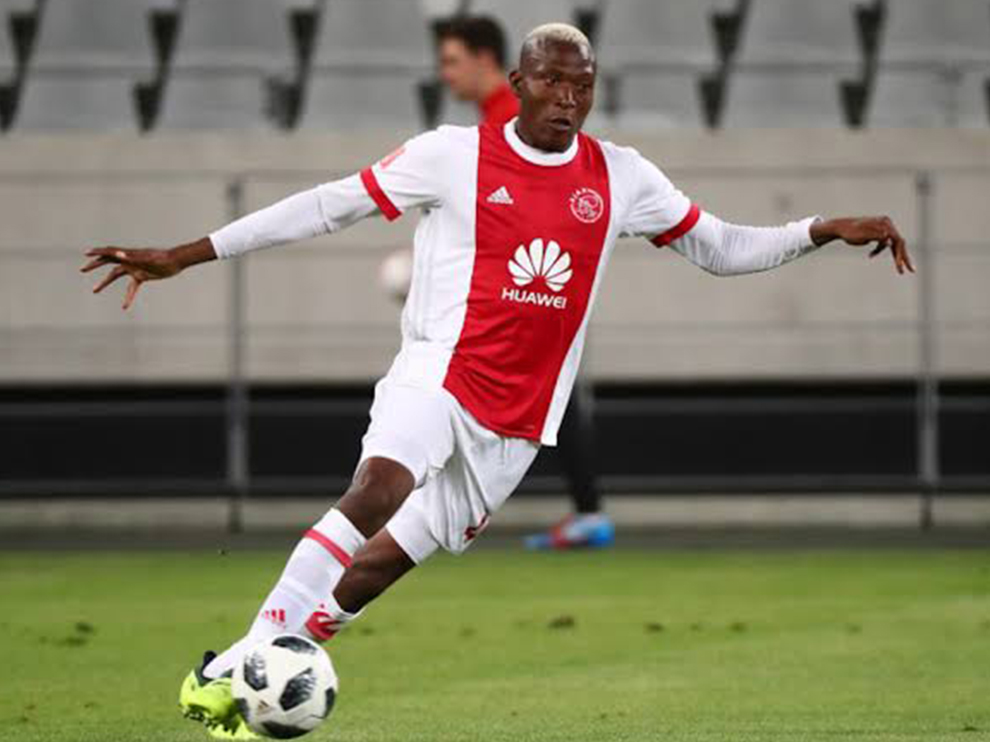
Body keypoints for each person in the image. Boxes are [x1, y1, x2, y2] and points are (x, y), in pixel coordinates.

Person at [80, 23, 913, 740]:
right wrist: (185, 255)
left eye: (582, 87)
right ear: (518, 82)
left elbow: (722, 248)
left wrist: (818, 228)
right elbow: (328, 205)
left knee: (376, 569)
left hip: (518, 424)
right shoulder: (451, 155)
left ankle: (235, 672)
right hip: (438, 374)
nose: (567, 99)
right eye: (551, 81)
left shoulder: (621, 176)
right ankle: (252, 665)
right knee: (376, 489)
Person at [392, 14, 615, 549]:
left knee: (522, 396)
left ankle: (461, 504)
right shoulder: (490, 121)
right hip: (534, 282)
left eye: (452, 61)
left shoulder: (508, 123)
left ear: (486, 60)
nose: (445, 74)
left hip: (531, 286)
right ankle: (584, 511)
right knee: (552, 398)